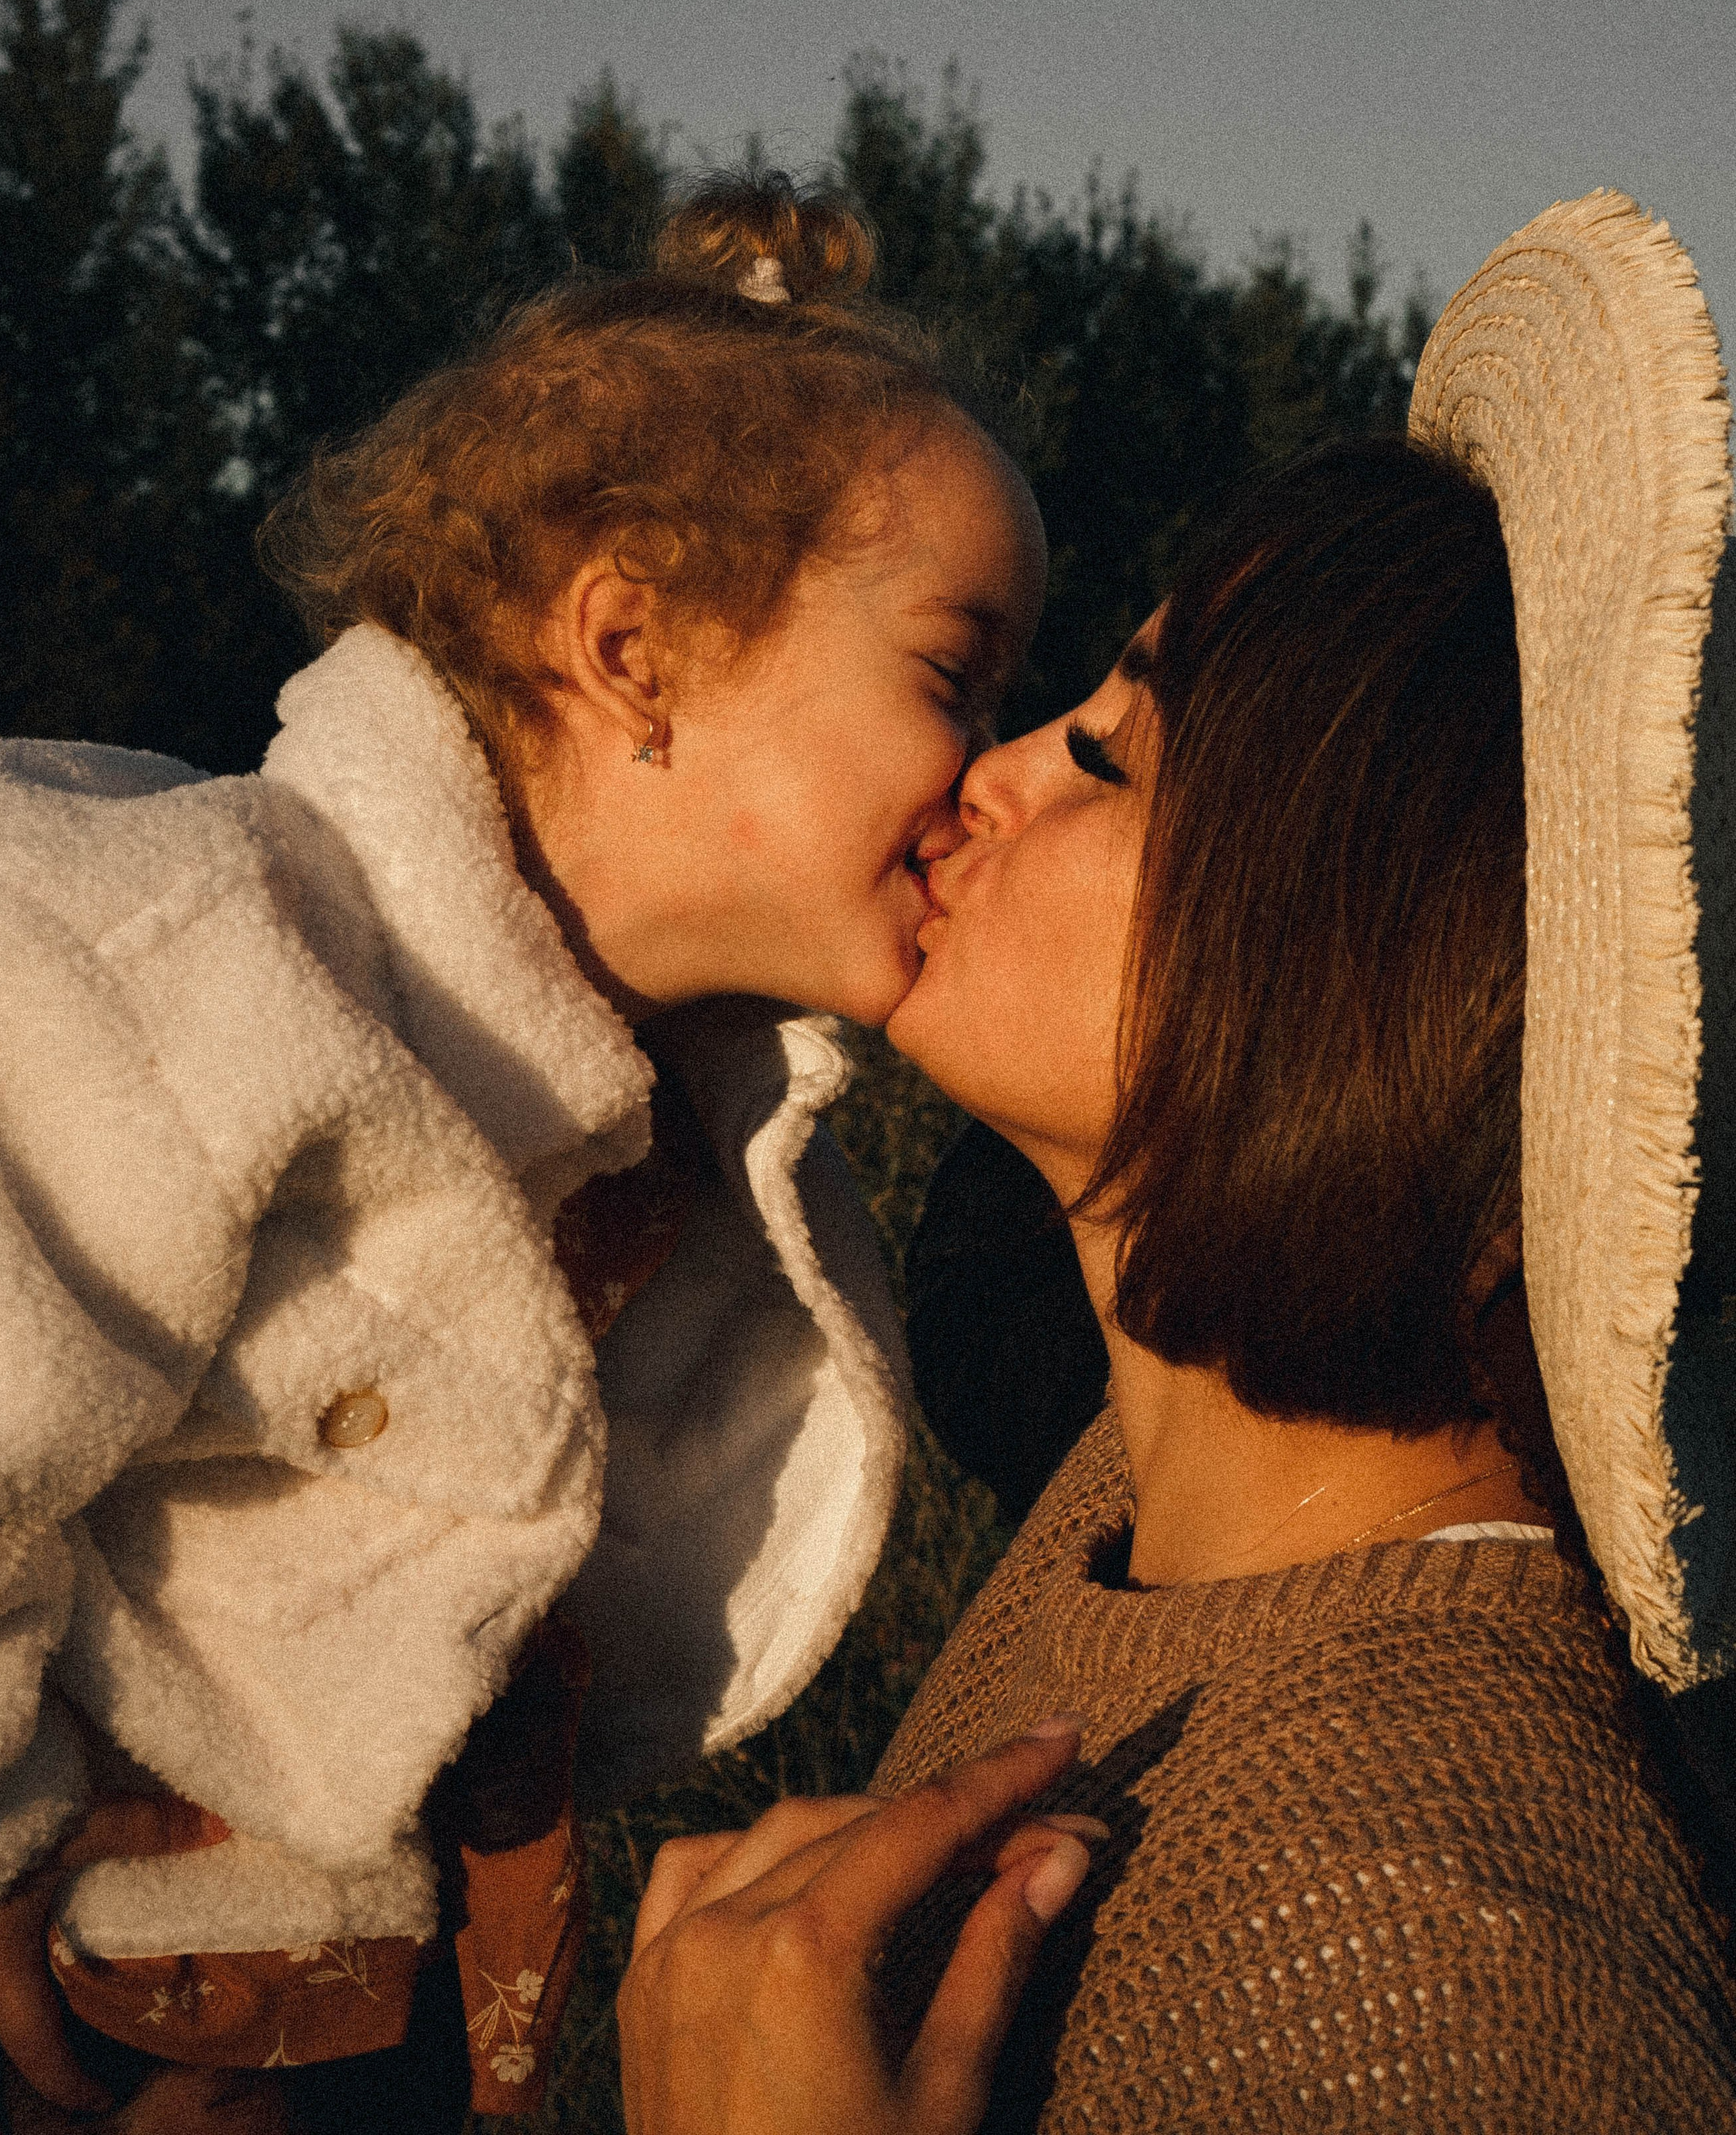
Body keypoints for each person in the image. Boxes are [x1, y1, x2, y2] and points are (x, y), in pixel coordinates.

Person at [617, 189, 1736, 2131]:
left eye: (1118, 757)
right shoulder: (1145, 1492)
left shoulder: (1446, 1984)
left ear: (1362, 980)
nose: (989, 771)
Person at [0, 174, 1048, 2132]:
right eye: (951, 676)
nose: (992, 767)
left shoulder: (681, 1131)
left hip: (323, 2020)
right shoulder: (194, 961)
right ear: (632, 645)